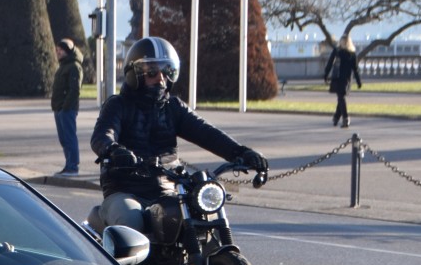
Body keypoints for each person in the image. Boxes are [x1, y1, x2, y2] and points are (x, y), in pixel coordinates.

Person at [89, 36, 269, 234]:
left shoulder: (173, 107)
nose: (161, 79)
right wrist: (114, 150)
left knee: (200, 213)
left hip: (168, 189)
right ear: (135, 74)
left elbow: (206, 132)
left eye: (167, 71)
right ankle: (122, 264)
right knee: (131, 222)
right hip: (126, 190)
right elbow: (102, 135)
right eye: (152, 72)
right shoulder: (118, 105)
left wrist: (241, 152)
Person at [50, 37, 83, 176]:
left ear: (67, 50)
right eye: (57, 50)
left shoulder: (74, 66)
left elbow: (74, 90)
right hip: (59, 108)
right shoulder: (63, 65)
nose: (58, 53)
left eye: (61, 50)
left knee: (69, 138)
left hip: (67, 109)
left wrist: (65, 107)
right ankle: (68, 164)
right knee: (64, 139)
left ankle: (73, 166)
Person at [323, 34, 362, 128]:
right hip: (343, 78)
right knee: (341, 98)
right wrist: (358, 81)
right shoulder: (346, 53)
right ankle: (341, 117)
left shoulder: (341, 52)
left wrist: (326, 75)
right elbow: (355, 69)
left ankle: (341, 117)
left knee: (341, 98)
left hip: (341, 78)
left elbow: (355, 69)